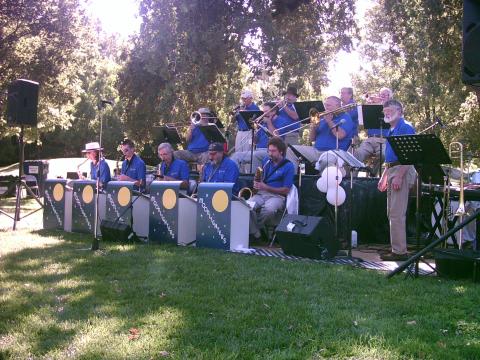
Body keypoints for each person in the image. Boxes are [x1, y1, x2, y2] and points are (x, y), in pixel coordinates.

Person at [377, 99, 416, 261]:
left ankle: (400, 252)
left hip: (402, 169)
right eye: (385, 111)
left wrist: (399, 175)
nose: (387, 113)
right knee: (392, 212)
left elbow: (410, 154)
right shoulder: (391, 130)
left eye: (390, 110)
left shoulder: (405, 127)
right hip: (392, 168)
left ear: (399, 112)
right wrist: (384, 176)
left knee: (397, 213)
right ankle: (396, 249)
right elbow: (390, 157)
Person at [289, 96, 354, 172]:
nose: (325, 107)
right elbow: (312, 139)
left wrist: (329, 121)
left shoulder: (346, 117)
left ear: (338, 106)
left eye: (329, 105)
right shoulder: (321, 118)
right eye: (325, 105)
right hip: (316, 150)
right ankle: (292, 179)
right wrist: (313, 126)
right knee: (290, 150)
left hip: (333, 153)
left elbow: (340, 135)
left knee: (325, 161)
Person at [249, 137, 295, 242]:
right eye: (269, 150)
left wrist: (266, 187)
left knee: (269, 211)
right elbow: (262, 179)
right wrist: (257, 182)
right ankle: (258, 233)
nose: (270, 153)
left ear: (281, 151)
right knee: (246, 206)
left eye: (273, 151)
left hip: (277, 196)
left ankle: (256, 232)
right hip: (261, 194)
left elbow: (286, 190)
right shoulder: (266, 161)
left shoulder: (288, 166)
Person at [231, 102, 278, 173]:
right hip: (258, 150)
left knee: (255, 156)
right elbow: (256, 141)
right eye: (263, 112)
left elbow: (277, 137)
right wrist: (254, 131)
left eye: (266, 112)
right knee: (235, 156)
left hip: (269, 151)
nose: (264, 114)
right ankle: (237, 179)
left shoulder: (279, 120)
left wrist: (269, 122)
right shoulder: (262, 122)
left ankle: (253, 179)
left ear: (274, 111)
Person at [354, 87, 393, 173]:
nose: (381, 96)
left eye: (384, 95)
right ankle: (356, 176)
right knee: (357, 155)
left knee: (383, 155)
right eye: (380, 94)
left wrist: (381, 103)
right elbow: (361, 123)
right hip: (370, 139)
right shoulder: (371, 106)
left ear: (389, 97)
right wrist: (369, 104)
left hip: (384, 140)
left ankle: (373, 172)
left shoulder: (393, 108)